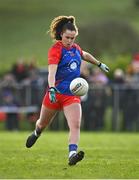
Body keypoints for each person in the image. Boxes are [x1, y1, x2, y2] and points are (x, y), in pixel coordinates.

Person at [25, 15, 109, 166]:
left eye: (73, 38)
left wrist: (99, 64)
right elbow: (51, 72)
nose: (70, 41)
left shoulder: (75, 48)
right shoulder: (56, 50)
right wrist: (51, 88)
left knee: (75, 124)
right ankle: (37, 132)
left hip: (72, 96)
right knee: (43, 124)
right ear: (61, 35)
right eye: (67, 37)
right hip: (55, 94)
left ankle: (72, 154)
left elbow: (84, 54)